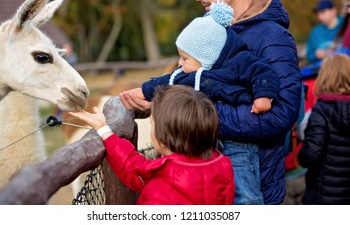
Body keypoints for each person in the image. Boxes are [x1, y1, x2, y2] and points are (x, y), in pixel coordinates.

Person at [120, 0, 302, 205]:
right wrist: (160, 96)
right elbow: (190, 76)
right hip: (208, 186)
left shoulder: (273, 38)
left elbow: (281, 114)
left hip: (251, 190)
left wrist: (200, 115)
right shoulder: (213, 29)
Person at [128, 0, 279, 205]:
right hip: (208, 142)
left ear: (207, 55)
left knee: (245, 191)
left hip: (240, 143)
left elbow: (263, 73)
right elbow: (167, 81)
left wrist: (263, 96)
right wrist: (144, 91)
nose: (180, 64)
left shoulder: (240, 63)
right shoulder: (189, 74)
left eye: (185, 58)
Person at [69, 85, 235, 205]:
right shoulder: (222, 166)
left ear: (163, 137)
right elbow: (133, 166)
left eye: (152, 123)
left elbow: (138, 171)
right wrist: (105, 131)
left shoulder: (159, 191)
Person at [298, 53, 350, 204]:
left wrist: (301, 155)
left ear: (324, 77)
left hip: (324, 194)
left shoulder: (322, 110)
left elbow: (311, 152)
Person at [305, 0, 343, 65]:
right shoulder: (315, 31)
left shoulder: (347, 24)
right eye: (318, 13)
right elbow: (309, 55)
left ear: (333, 11)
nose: (320, 16)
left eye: (323, 12)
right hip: (321, 70)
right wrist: (316, 55)